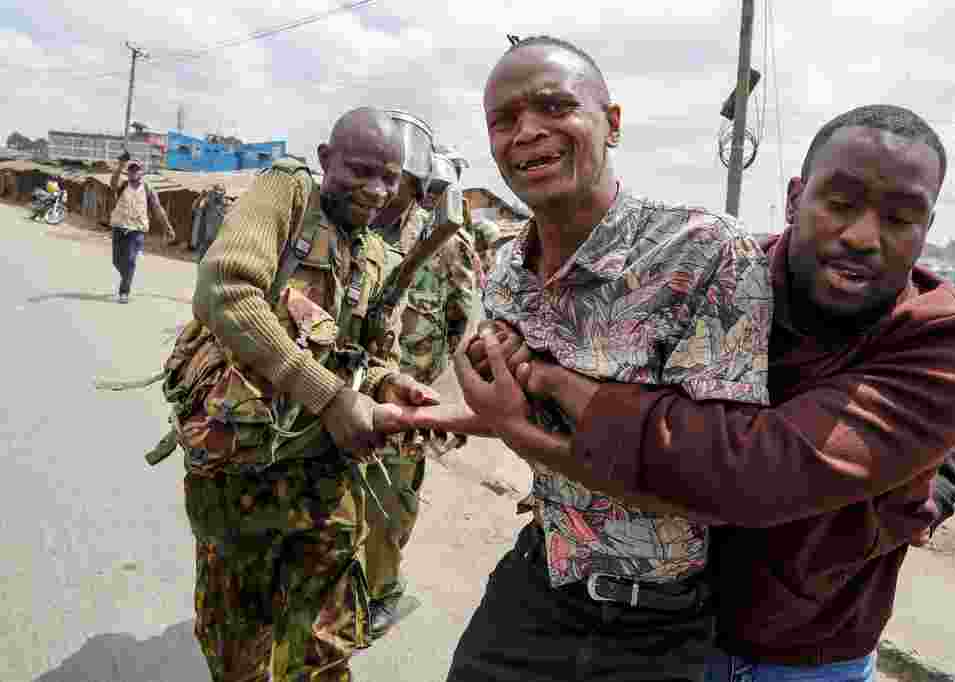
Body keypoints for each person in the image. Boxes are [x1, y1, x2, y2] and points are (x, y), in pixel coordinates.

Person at [448, 104, 955, 681]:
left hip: (804, 657)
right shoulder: (718, 272)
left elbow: (752, 467)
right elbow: (601, 366)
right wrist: (497, 382)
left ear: (927, 228)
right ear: (795, 199)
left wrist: (547, 390)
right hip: (670, 628)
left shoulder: (946, 349)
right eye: (839, 205)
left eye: (900, 218)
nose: (864, 236)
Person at [404, 35, 773, 682]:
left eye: (555, 106)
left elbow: (712, 488)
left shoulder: (702, 255)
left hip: (652, 628)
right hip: (538, 583)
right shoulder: (506, 274)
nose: (527, 133)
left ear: (614, 124)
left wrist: (516, 425)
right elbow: (520, 412)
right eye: (504, 120)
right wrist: (424, 417)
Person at [181, 107, 439, 682]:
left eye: (390, 177)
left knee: (323, 650)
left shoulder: (375, 253)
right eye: (361, 171)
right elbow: (226, 290)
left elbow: (367, 357)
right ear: (326, 159)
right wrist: (328, 396)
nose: (376, 191)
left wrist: (386, 383)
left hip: (325, 479)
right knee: (238, 647)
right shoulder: (286, 193)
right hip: (241, 474)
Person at [363, 136, 479, 638]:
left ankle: (383, 593)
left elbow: (464, 330)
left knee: (390, 503)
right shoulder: (362, 224)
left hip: (409, 398)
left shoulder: (448, 242)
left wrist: (445, 406)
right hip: (356, 386)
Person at [108, 156, 174, 303]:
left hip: (137, 229)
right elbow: (112, 184)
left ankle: (124, 291)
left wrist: (167, 227)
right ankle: (127, 276)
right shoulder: (123, 185)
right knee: (117, 261)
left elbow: (158, 208)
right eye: (130, 170)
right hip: (119, 226)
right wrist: (120, 166)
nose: (133, 172)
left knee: (130, 260)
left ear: (141, 172)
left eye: (136, 170)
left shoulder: (147, 189)